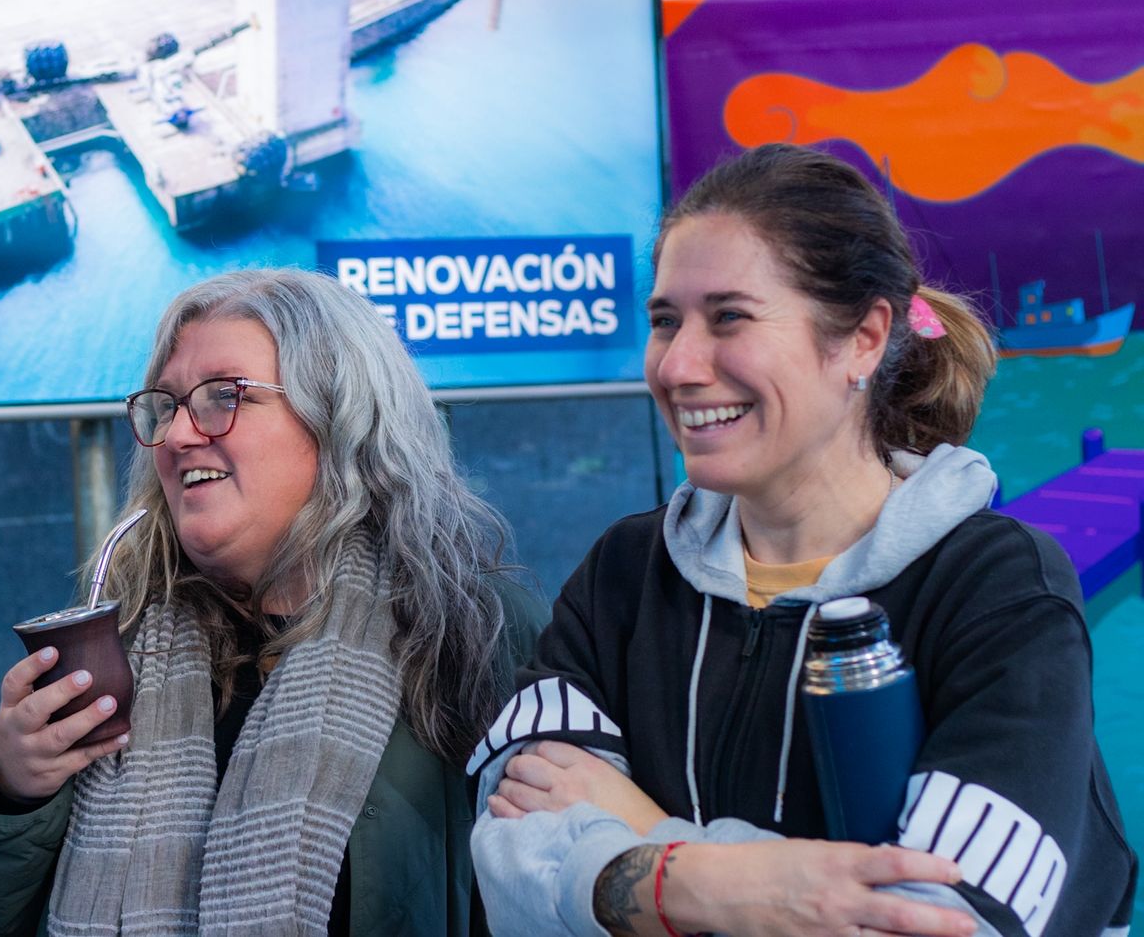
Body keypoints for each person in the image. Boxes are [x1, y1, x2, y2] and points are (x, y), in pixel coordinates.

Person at [469, 144, 1136, 937]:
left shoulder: (995, 586)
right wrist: (763, 891)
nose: (677, 364)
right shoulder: (626, 573)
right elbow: (511, 866)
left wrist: (654, 855)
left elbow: (938, 923)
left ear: (863, 339)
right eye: (664, 321)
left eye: (730, 317)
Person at [0, 267, 545, 937]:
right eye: (166, 406)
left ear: (339, 417)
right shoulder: (117, 650)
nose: (178, 436)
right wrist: (4, 786)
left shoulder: (473, 630)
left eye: (223, 396)